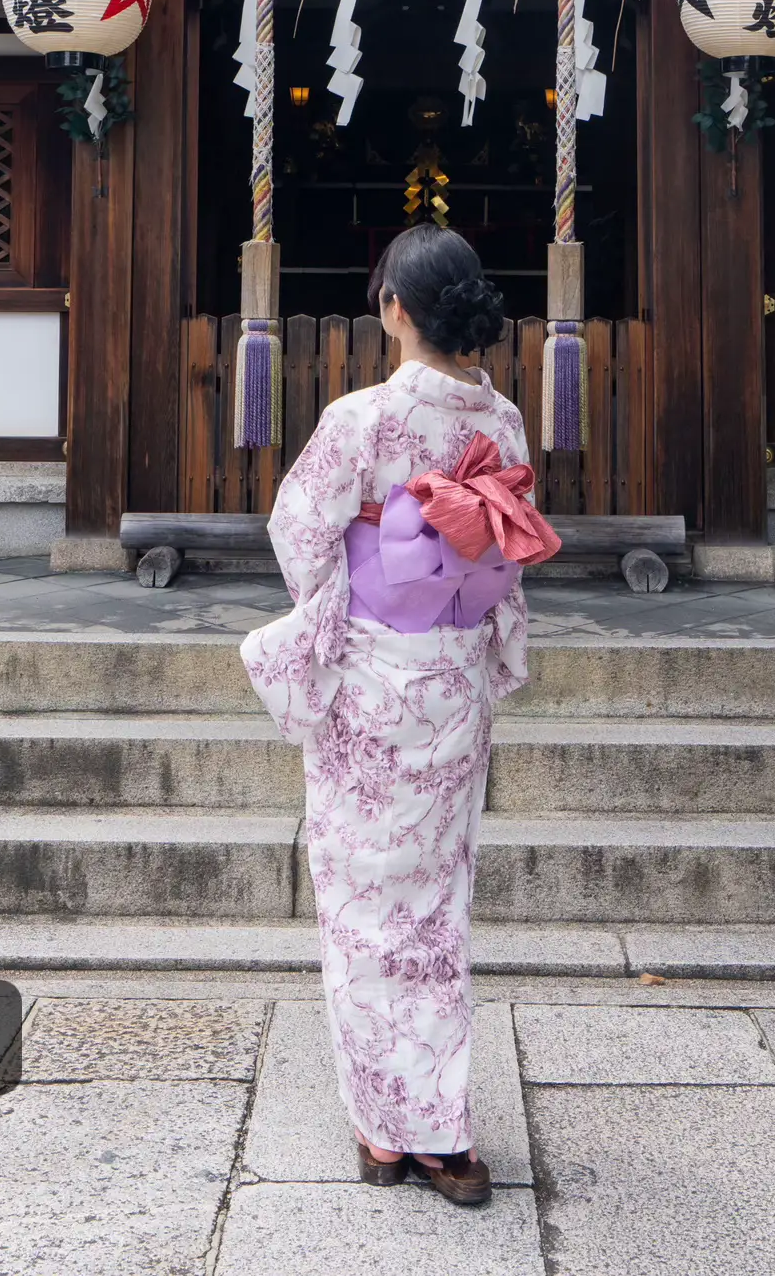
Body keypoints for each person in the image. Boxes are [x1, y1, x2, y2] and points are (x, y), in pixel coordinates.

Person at [240, 223, 560, 1206]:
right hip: (454, 681)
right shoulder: (499, 425)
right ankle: (439, 1130)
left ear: (393, 308)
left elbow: (299, 529)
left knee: (361, 907)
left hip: (372, 691)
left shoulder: (362, 418)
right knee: (434, 911)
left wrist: (347, 604)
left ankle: (389, 1129)